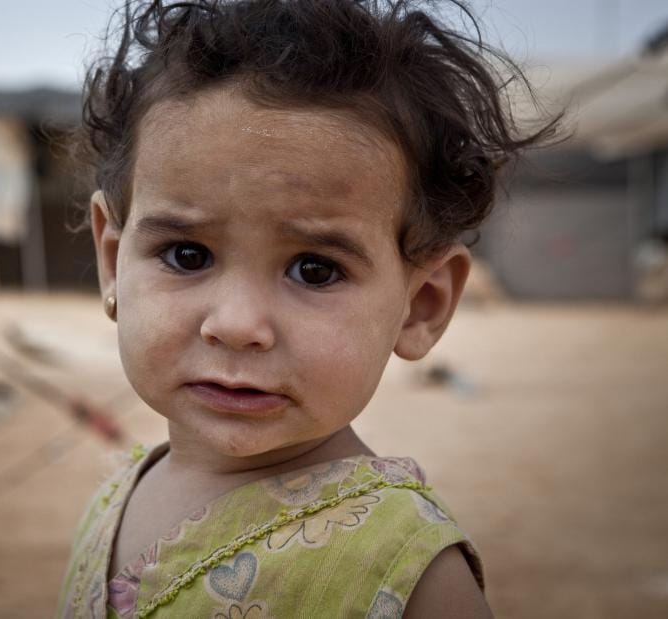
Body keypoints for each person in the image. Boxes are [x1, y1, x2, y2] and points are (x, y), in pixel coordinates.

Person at [58, 1, 557, 616]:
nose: (238, 325)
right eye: (187, 254)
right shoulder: (113, 497)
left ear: (420, 304)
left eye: (315, 270)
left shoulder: (407, 573)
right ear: (113, 260)